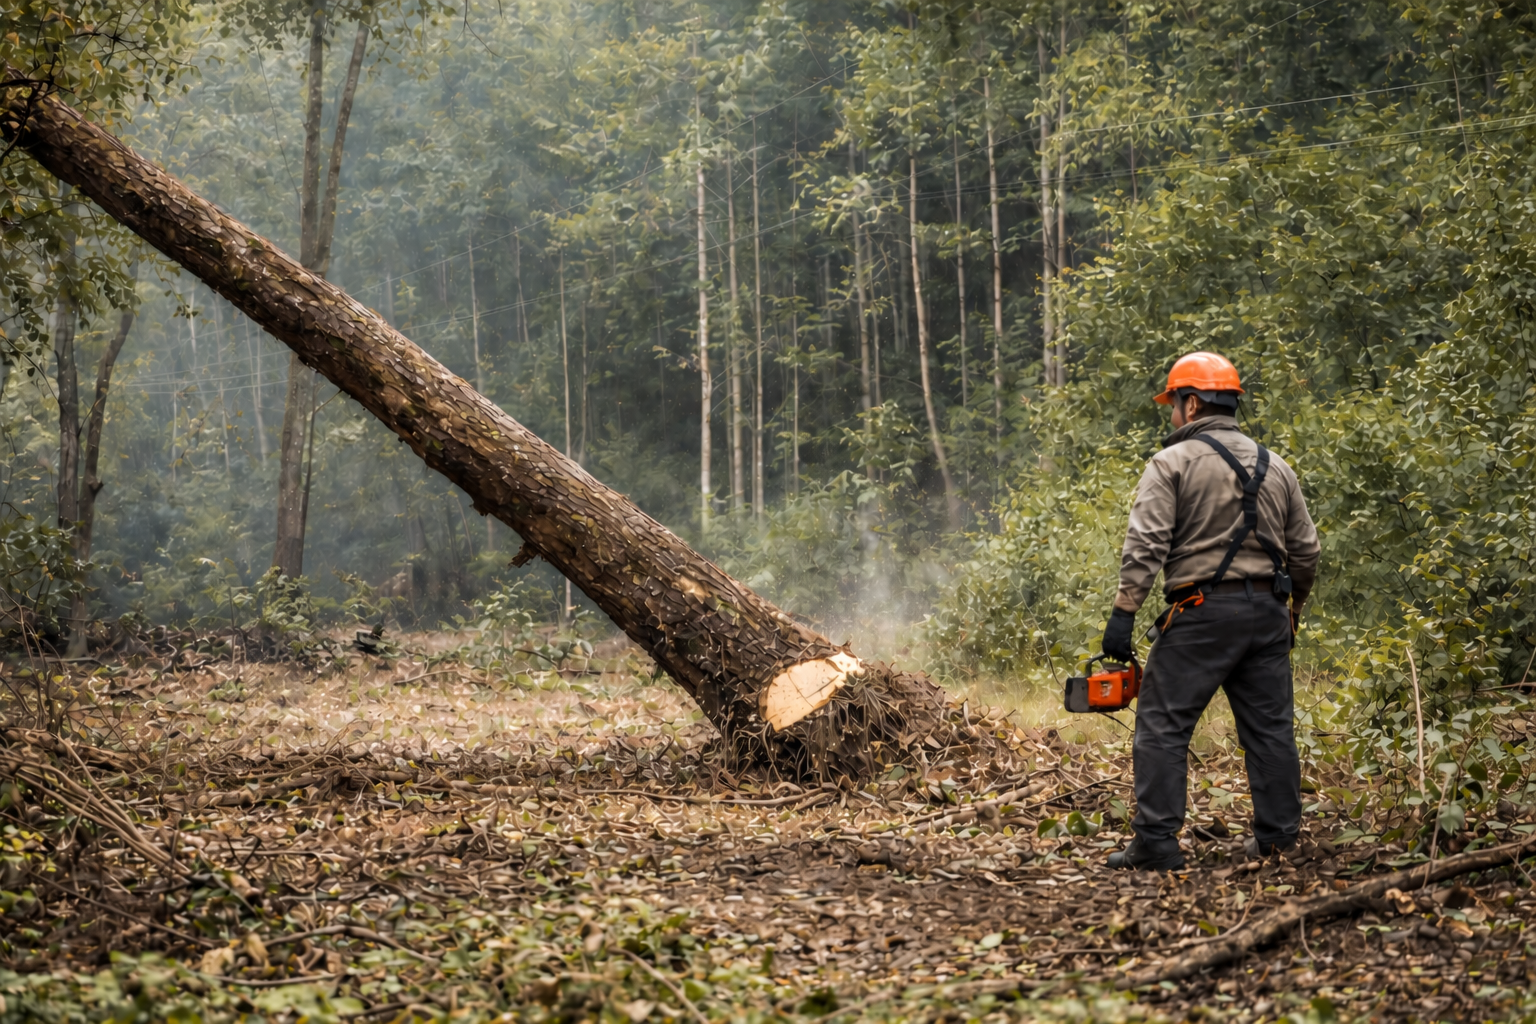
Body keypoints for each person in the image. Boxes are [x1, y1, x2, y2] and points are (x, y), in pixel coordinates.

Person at [1100, 352, 1320, 871]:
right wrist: (1294, 609)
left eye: (1173, 405)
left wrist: (1123, 614)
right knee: (1270, 730)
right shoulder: (1277, 466)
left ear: (1192, 403)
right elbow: (1306, 552)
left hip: (1200, 614)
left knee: (1162, 725)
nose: (1172, 416)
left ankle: (1156, 842)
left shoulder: (1171, 463)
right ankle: (1278, 841)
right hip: (1269, 614)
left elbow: (1146, 545)